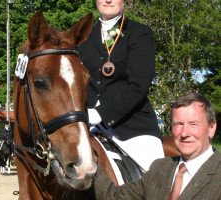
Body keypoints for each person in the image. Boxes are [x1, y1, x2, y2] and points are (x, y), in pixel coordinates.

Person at [78, 0, 164, 172]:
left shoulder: (140, 33)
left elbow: (139, 85)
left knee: (155, 178)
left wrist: (100, 113)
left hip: (131, 126)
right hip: (86, 123)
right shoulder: (82, 36)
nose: (108, 0)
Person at [92, 92, 221, 199]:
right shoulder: (159, 168)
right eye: (178, 124)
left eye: (193, 124)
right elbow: (113, 197)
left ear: (211, 128)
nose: (184, 133)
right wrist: (88, 161)